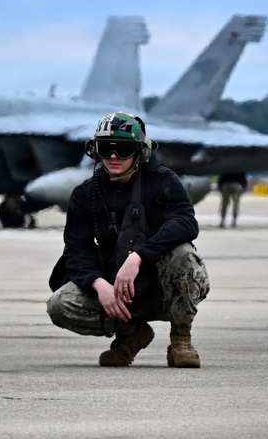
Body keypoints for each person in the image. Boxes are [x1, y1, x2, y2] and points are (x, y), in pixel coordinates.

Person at [46, 112, 209, 368]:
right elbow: (76, 252)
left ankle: (181, 339)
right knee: (59, 305)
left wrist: (139, 257)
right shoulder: (85, 195)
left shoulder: (163, 182)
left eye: (123, 149)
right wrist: (99, 285)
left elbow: (186, 222)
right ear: (94, 150)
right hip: (116, 291)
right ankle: (130, 333)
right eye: (105, 148)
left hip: (161, 288)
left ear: (140, 152)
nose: (113, 156)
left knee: (182, 254)